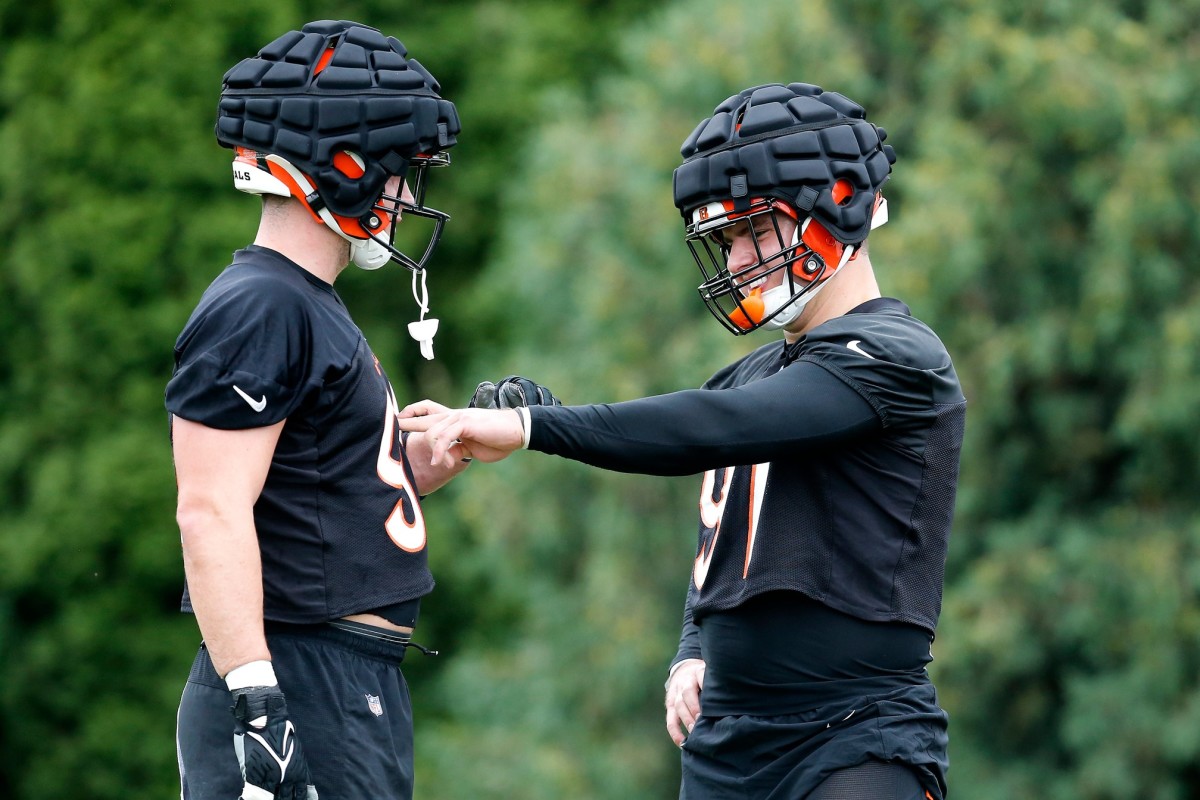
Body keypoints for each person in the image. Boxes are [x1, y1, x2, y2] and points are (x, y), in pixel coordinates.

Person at [399, 83, 964, 799]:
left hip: (856, 740)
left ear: (842, 200)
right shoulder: (746, 376)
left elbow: (711, 428)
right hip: (727, 747)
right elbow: (719, 556)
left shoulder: (899, 356)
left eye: (757, 230)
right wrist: (691, 652)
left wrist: (535, 426)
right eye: (727, 241)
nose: (736, 263)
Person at [167, 19, 472, 800]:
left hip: (346, 682)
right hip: (298, 680)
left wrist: (426, 465)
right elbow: (208, 508)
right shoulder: (264, 302)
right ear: (344, 164)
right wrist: (258, 701)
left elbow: (313, 496)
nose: (406, 194)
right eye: (399, 170)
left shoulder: (306, 302)